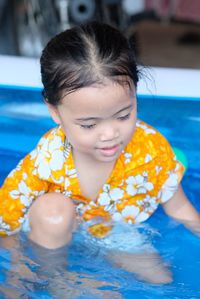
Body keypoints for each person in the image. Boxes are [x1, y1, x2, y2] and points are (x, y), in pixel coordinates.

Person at [0, 21, 200, 284]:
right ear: (55, 112)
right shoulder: (48, 158)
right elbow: (6, 220)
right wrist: (16, 270)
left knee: (161, 280)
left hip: (109, 228)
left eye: (123, 115)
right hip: (50, 233)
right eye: (89, 124)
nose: (109, 134)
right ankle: (57, 278)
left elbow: (180, 208)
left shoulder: (150, 149)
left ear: (135, 96)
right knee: (53, 211)